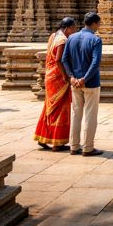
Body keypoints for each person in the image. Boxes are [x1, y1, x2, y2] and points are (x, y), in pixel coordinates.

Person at [62, 12, 104, 157]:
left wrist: (72, 77)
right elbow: (95, 62)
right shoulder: (95, 40)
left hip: (75, 83)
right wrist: (85, 79)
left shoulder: (71, 38)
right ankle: (88, 148)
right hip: (90, 82)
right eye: (98, 24)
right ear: (93, 24)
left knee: (76, 114)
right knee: (90, 115)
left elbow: (64, 59)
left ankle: (74, 146)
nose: (99, 26)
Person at [34, 17, 79, 152]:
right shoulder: (62, 40)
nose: (74, 31)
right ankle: (56, 142)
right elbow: (59, 59)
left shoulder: (53, 36)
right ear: (67, 28)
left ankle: (43, 137)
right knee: (60, 109)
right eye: (73, 29)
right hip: (59, 78)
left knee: (50, 106)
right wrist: (66, 75)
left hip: (49, 76)